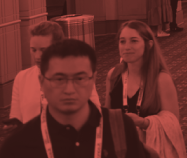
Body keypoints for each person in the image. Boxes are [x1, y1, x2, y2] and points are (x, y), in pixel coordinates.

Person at [0, 39, 152, 158]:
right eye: (59, 79)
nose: (69, 90)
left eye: (79, 79)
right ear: (42, 82)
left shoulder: (120, 128)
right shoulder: (19, 145)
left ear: (93, 79)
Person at [106, 20, 186, 157]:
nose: (126, 47)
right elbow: (107, 115)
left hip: (152, 150)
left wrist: (144, 123)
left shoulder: (161, 79)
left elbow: (173, 125)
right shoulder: (114, 75)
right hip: (119, 149)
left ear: (148, 45)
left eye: (134, 41)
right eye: (122, 41)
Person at [9, 22, 100, 125]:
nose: (37, 56)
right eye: (33, 50)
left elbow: (96, 113)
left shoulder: (76, 76)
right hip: (31, 138)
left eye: (43, 50)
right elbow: (15, 119)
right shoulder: (22, 78)